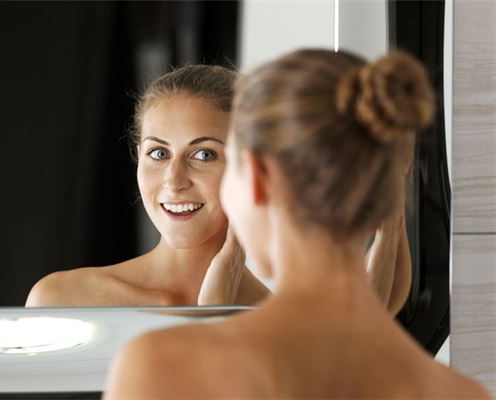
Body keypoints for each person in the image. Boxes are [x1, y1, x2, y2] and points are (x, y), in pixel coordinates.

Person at [105, 50, 490, 398]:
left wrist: (209, 324)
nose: (175, 180)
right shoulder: (458, 393)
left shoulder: (160, 364)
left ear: (256, 178)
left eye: (211, 157)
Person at [26, 65, 270, 307]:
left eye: (204, 155)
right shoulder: (59, 300)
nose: (174, 182)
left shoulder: (280, 321)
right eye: (159, 153)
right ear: (138, 155)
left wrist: (216, 308)